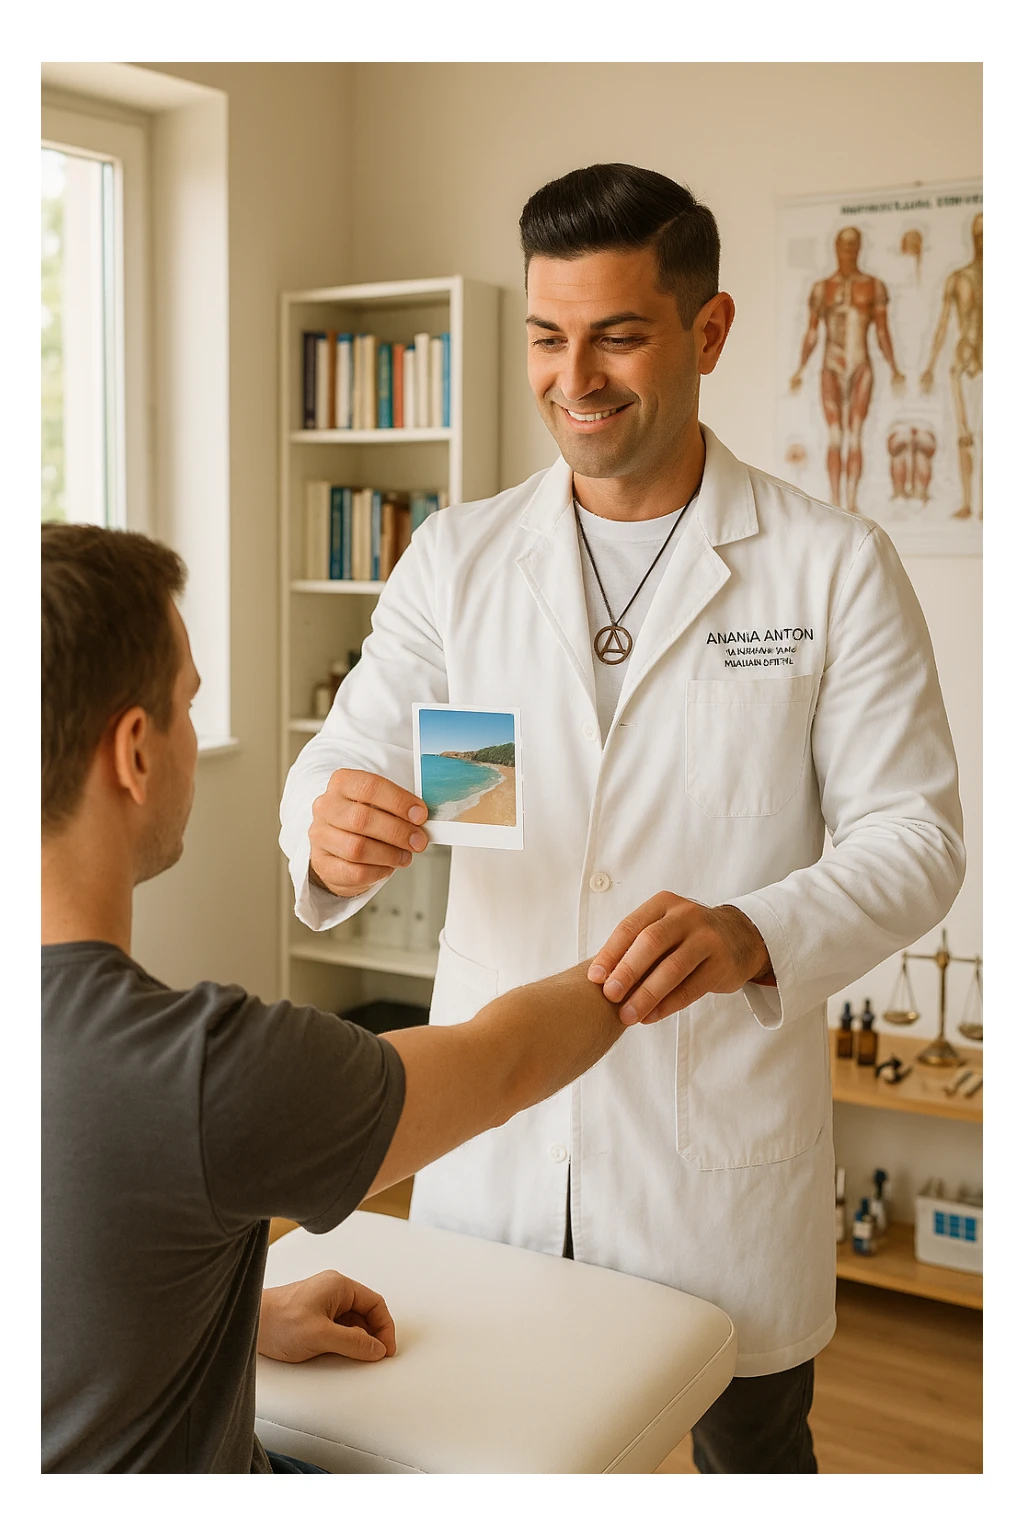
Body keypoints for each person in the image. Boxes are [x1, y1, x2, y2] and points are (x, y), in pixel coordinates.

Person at [279, 163, 965, 1474]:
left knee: (754, 1462)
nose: (572, 376)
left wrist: (753, 929)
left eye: (617, 335)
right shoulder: (459, 558)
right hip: (500, 1143)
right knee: (491, 1459)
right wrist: (331, 827)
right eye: (546, 335)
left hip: (714, 1160)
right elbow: (346, 763)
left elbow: (917, 839)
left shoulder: (831, 567)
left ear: (706, 332)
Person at [41, 522, 629, 1474]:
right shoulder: (207, 1072)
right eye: (192, 707)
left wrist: (242, 1315)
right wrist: (669, 944)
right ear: (137, 753)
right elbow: (506, 1060)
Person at [790, 224, 905, 514]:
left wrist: (894, 368)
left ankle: (851, 504)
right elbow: (812, 333)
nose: (849, 252)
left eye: (854, 246)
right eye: (844, 246)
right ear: (836, 249)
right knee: (835, 437)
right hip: (831, 365)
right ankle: (834, 502)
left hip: (861, 366)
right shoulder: (822, 289)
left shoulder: (873, 286)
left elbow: (882, 332)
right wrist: (800, 369)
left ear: (860, 249)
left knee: (853, 435)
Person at [920, 210, 983, 520]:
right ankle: (969, 503)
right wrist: (930, 365)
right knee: (964, 436)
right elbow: (943, 324)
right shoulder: (959, 279)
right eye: (980, 235)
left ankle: (986, 503)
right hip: (964, 361)